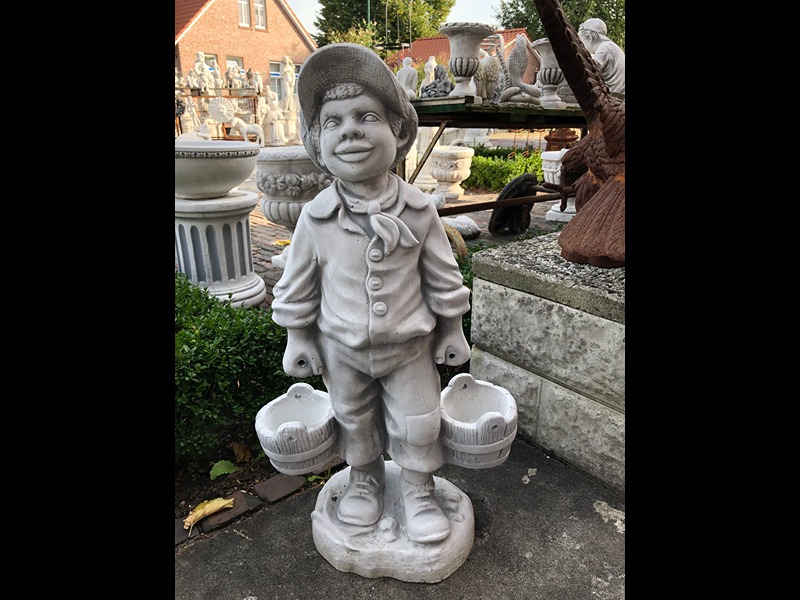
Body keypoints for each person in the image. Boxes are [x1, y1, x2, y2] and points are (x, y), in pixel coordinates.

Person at [270, 43, 471, 543]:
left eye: (367, 117)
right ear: (317, 143)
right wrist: (298, 336)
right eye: (333, 122)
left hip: (410, 347)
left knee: (419, 420)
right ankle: (364, 480)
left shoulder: (419, 210)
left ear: (398, 132)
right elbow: (297, 284)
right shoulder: (315, 217)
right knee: (353, 419)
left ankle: (418, 488)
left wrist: (452, 328)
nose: (350, 131)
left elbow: (443, 276)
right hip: (342, 349)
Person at [577, 18, 625, 101]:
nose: (582, 46)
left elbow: (592, 68)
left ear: (590, 37)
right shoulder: (612, 46)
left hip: (610, 93)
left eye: (582, 41)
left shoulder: (605, 47)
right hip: (619, 93)